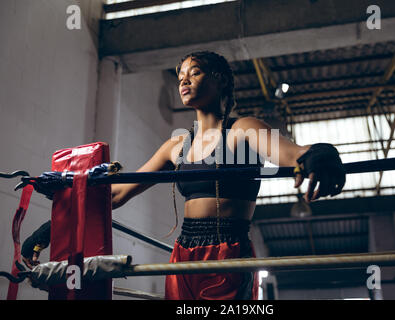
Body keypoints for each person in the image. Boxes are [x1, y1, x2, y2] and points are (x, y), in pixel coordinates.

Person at [21, 51, 345, 300]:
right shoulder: (175, 145)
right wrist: (58, 223)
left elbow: (291, 153)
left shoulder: (243, 130)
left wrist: (317, 153)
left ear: (220, 81)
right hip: (182, 253)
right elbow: (117, 195)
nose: (184, 81)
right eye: (180, 77)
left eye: (196, 72)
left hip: (227, 252)